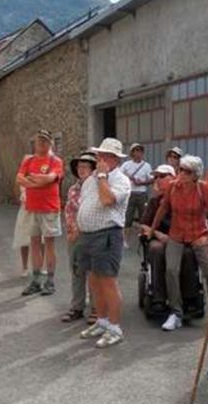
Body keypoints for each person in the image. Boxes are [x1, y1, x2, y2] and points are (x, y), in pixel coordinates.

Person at [148, 155, 208, 332]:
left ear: (195, 175)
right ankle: (176, 313)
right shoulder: (173, 187)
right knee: (171, 270)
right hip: (177, 234)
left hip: (198, 234)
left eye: (187, 171)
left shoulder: (203, 188)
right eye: (181, 169)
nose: (182, 174)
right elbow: (163, 208)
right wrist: (153, 228)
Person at [76, 138, 131, 348]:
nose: (101, 159)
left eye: (106, 156)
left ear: (115, 159)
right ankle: (102, 320)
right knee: (93, 279)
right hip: (89, 235)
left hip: (107, 234)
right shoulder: (91, 179)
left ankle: (115, 327)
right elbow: (86, 203)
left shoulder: (121, 180)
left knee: (108, 281)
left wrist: (101, 176)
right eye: (100, 155)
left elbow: (108, 200)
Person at [18, 129, 64, 297]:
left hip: (49, 208)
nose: (41, 144)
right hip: (32, 207)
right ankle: (36, 280)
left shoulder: (55, 161)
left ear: (50, 143)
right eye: (39, 141)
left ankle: (50, 280)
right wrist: (39, 182)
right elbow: (19, 179)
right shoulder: (28, 160)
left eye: (45, 141)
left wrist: (32, 181)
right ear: (35, 143)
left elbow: (50, 178)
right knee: (35, 245)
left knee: (50, 245)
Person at [61, 151, 98, 323]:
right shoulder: (73, 189)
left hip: (92, 235)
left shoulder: (98, 188)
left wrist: (80, 230)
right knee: (77, 271)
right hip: (75, 236)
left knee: (94, 273)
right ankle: (77, 307)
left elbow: (96, 212)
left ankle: (96, 309)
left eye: (86, 167)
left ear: (93, 170)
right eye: (79, 167)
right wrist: (71, 230)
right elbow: (68, 210)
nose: (82, 169)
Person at [139, 164, 177, 310]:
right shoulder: (154, 202)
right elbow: (143, 225)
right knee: (156, 249)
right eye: (156, 177)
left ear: (173, 178)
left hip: (179, 238)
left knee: (188, 253)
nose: (158, 180)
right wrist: (157, 233)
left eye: (162, 176)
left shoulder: (181, 199)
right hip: (159, 238)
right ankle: (158, 297)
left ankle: (190, 297)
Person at [120, 143, 153, 244]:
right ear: (132, 153)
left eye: (140, 151)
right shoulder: (126, 165)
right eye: (135, 151)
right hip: (130, 193)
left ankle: (143, 238)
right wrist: (128, 179)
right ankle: (125, 239)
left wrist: (141, 182)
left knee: (144, 217)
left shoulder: (147, 166)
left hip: (142, 193)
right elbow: (119, 176)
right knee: (128, 217)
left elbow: (151, 180)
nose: (138, 153)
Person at [12, 187, 42, 278]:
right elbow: (18, 194)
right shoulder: (22, 176)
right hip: (26, 211)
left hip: (39, 209)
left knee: (42, 239)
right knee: (24, 239)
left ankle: (40, 267)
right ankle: (25, 267)